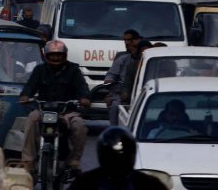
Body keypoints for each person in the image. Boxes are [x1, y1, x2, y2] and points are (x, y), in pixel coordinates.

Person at [19, 40, 90, 175]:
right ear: (46, 55)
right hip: (43, 110)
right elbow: (30, 86)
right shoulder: (39, 70)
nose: (56, 58)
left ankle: (74, 159)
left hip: (67, 112)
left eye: (59, 55)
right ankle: (28, 161)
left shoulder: (73, 70)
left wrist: (85, 98)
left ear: (65, 55)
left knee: (80, 126)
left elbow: (82, 87)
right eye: (52, 55)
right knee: (31, 119)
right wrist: (25, 96)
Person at [70, 127, 168, 190]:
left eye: (122, 161)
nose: (117, 166)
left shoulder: (150, 184)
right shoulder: (84, 183)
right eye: (113, 160)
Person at [105, 30, 141, 126]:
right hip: (121, 93)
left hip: (141, 93)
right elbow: (111, 76)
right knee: (116, 106)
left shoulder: (147, 59)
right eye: (125, 40)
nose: (127, 43)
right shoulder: (123, 59)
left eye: (130, 41)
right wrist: (109, 83)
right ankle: (114, 132)